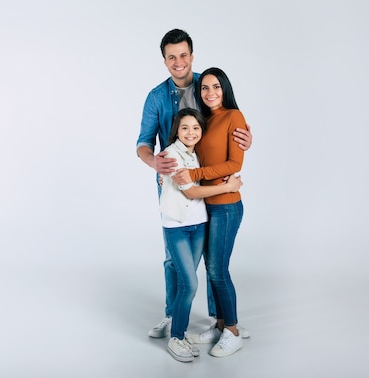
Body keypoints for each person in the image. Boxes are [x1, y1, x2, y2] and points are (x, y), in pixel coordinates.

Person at [136, 28, 252, 339]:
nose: (178, 61)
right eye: (171, 56)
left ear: (192, 56)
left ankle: (221, 321)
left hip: (210, 185)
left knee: (213, 260)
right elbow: (143, 143)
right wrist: (152, 161)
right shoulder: (156, 97)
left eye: (183, 55)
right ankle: (173, 315)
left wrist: (243, 139)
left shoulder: (207, 87)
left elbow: (227, 121)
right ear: (164, 61)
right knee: (174, 258)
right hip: (175, 188)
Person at [160, 107, 243, 362]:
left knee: (196, 278)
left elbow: (218, 167)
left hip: (200, 225)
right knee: (190, 282)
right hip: (177, 227)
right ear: (177, 130)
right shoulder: (171, 155)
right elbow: (191, 192)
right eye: (185, 127)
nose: (191, 132)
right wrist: (229, 185)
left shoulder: (196, 155)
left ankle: (220, 328)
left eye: (196, 128)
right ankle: (176, 336)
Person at [174, 67, 247, 357]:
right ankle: (218, 324)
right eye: (204, 88)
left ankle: (232, 330)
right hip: (206, 205)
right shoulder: (203, 120)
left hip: (227, 205)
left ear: (224, 88)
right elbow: (187, 147)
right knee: (212, 269)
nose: (210, 92)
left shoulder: (234, 117)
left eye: (216, 86)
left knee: (218, 269)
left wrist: (195, 173)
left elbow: (233, 164)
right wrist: (165, 167)